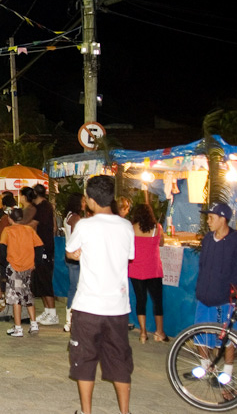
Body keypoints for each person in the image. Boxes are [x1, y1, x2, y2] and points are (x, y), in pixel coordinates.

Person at [65, 175, 135, 414]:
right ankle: (125, 411)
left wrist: (78, 254)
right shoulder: (125, 226)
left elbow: (70, 251)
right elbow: (128, 256)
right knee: (119, 360)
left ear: (91, 200)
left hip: (88, 305)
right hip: (117, 307)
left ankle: (87, 412)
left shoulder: (85, 225)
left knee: (84, 360)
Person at [191, 203, 237, 384]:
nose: (208, 221)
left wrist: (228, 289)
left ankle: (227, 373)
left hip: (223, 299)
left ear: (223, 218)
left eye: (211, 218)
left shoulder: (236, 240)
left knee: (225, 337)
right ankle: (206, 367)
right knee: (200, 333)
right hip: (204, 296)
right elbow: (202, 265)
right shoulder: (208, 238)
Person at [0, 208, 43, 337]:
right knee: (27, 294)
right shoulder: (29, 230)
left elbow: (1, 248)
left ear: (10, 219)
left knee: (15, 297)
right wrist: (35, 263)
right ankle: (33, 324)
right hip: (28, 267)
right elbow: (39, 246)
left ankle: (18, 327)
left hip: (14, 267)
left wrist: (5, 264)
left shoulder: (8, 231)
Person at [128, 203, 167, 344]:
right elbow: (161, 243)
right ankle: (159, 332)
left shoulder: (132, 229)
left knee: (141, 300)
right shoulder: (157, 228)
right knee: (157, 301)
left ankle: (143, 333)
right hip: (154, 269)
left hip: (136, 269)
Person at [27, 184, 59, 326]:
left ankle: (52, 313)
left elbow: (32, 225)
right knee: (41, 279)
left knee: (45, 279)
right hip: (41, 246)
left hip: (45, 247)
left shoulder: (43, 208)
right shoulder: (43, 207)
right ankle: (47, 310)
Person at [62, 192, 85, 332]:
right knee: (75, 288)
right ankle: (70, 320)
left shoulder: (69, 216)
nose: (84, 204)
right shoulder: (76, 218)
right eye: (82, 201)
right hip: (76, 257)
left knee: (73, 287)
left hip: (71, 256)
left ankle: (69, 319)